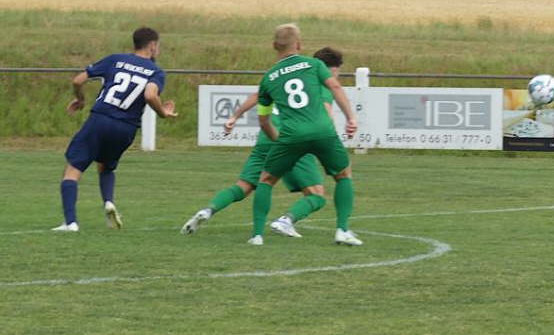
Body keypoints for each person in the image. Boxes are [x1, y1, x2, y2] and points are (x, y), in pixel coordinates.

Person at [180, 48, 345, 238]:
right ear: (332, 70)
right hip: (293, 139)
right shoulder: (320, 85)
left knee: (244, 186)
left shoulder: (281, 77)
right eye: (338, 72)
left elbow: (257, 95)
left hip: (266, 138)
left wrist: (235, 116)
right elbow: (326, 114)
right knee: (317, 195)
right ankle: (286, 221)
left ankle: (208, 210)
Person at [52, 27, 177, 232]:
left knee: (73, 170)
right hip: (126, 128)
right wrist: (162, 112)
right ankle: (108, 203)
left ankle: (70, 222)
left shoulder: (115, 60)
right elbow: (150, 95)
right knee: (106, 166)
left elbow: (77, 80)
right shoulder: (156, 72)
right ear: (153, 45)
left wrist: (81, 99)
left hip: (100, 119)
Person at [249, 23, 362, 246]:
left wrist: (277, 139)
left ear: (274, 46)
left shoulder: (269, 78)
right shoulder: (314, 64)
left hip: (291, 135)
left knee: (266, 180)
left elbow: (263, 119)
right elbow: (335, 88)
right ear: (299, 45)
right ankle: (342, 230)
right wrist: (351, 117)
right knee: (343, 175)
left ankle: (258, 235)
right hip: (322, 130)